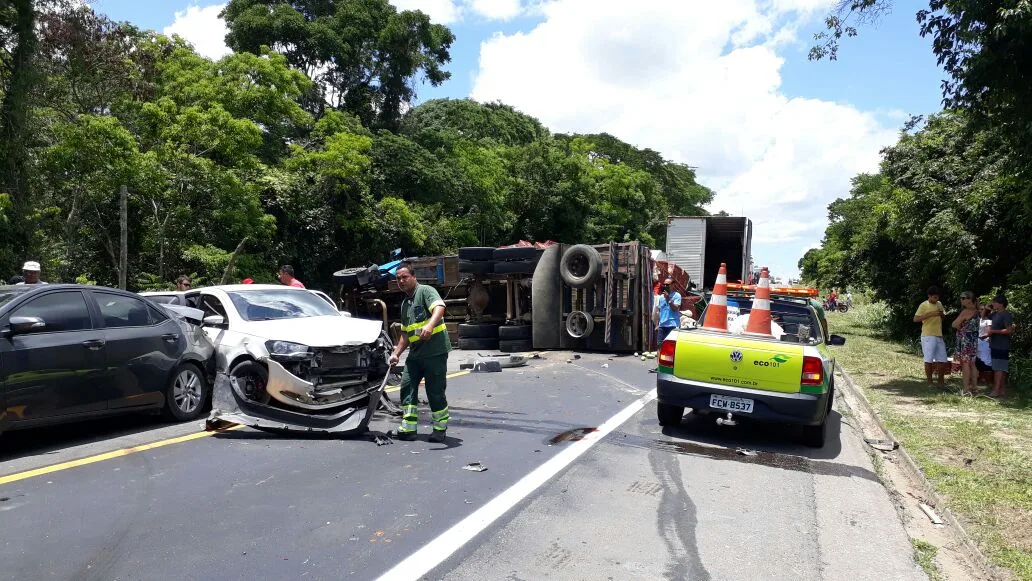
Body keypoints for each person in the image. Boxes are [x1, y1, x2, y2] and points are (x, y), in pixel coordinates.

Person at [387, 262, 451, 443]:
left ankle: (439, 429)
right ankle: (408, 429)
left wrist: (430, 325)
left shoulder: (425, 291)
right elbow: (405, 333)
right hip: (415, 355)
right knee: (407, 387)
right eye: (398, 278)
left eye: (405, 277)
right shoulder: (405, 304)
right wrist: (396, 354)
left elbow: (439, 307)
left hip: (434, 351)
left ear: (414, 277)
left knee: (435, 391)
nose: (401, 281)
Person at [914, 285, 947, 387]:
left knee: (942, 359)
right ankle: (930, 382)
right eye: (934, 297)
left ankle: (941, 381)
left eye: (937, 297)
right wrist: (930, 314)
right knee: (928, 359)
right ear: (929, 296)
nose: (936, 299)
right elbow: (915, 319)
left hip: (939, 334)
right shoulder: (924, 305)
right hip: (928, 335)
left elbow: (943, 318)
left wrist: (941, 314)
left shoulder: (939, 304)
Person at [951, 291, 980, 396]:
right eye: (961, 298)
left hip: (966, 341)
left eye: (963, 298)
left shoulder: (966, 311)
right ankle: (974, 388)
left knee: (965, 364)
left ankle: (966, 389)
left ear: (969, 299)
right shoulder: (977, 311)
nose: (961, 300)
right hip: (974, 340)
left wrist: (961, 328)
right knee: (972, 364)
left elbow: (954, 324)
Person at [986, 294, 1015, 398]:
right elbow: (984, 317)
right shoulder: (994, 314)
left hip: (1002, 345)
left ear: (1001, 304)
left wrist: (993, 331)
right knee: (998, 367)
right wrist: (987, 309)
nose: (993, 304)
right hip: (994, 345)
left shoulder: (1006, 314)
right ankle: (1002, 390)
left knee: (999, 368)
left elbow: (1009, 330)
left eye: (995, 302)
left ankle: (996, 390)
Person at [656, 278, 682, 344]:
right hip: (662, 325)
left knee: (671, 346)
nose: (665, 286)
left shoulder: (677, 296)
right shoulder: (661, 297)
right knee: (660, 345)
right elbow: (659, 311)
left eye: (667, 284)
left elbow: (675, 309)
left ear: (673, 285)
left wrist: (668, 299)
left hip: (672, 325)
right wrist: (657, 324)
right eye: (664, 284)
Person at [976, 304, 994, 386]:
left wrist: (983, 337)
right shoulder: (978, 320)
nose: (981, 311)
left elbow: (989, 332)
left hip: (985, 343)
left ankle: (988, 381)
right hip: (977, 342)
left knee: (987, 361)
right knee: (978, 360)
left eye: (983, 309)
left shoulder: (989, 321)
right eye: (980, 309)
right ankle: (980, 378)